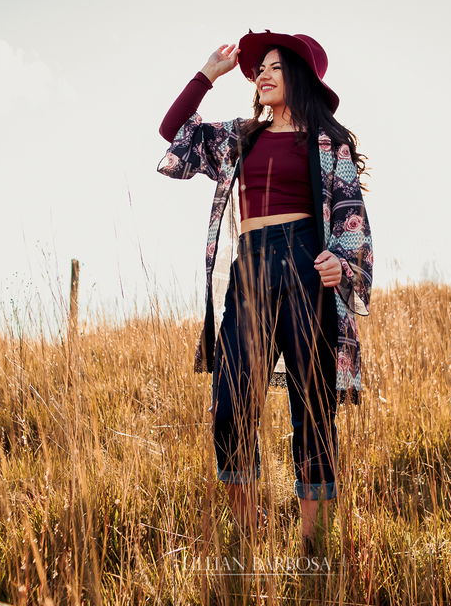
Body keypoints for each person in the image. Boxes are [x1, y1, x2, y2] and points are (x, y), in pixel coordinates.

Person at [156, 30, 373, 552]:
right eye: (261, 68)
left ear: (297, 77)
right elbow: (173, 131)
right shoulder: (241, 137)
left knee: (313, 409)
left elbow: (351, 216)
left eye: (276, 67)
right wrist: (208, 74)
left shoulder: (329, 142)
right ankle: (248, 532)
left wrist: (341, 265)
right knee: (229, 404)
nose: (263, 75)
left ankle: (312, 546)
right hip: (250, 270)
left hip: (307, 268)